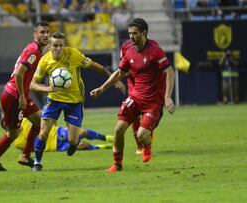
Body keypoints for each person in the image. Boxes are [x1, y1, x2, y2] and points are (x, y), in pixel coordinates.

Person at [30, 32, 125, 172]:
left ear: (64, 45)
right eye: (55, 45)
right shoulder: (44, 61)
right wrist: (48, 88)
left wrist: (113, 79)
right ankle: (37, 162)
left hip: (75, 101)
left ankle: (73, 145)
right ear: (50, 46)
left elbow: (95, 66)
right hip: (54, 100)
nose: (58, 48)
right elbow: (33, 84)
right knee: (44, 133)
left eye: (60, 45)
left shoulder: (74, 54)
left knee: (73, 140)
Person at [90, 18, 175, 173]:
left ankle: (147, 145)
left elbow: (170, 72)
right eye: (129, 33)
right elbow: (119, 73)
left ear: (144, 33)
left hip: (153, 102)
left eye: (134, 33)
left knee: (142, 135)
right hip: (135, 97)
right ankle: (117, 164)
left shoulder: (154, 49)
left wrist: (167, 97)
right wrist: (102, 88)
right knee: (118, 130)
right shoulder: (129, 50)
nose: (131, 37)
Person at [0, 22, 50, 171]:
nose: (45, 35)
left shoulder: (35, 50)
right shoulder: (34, 51)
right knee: (14, 133)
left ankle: (25, 156)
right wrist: (22, 97)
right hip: (14, 96)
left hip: (18, 94)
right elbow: (20, 73)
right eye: (42, 32)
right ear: (35, 34)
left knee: (40, 121)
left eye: (47, 32)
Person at [14, 118, 113, 167]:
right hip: (55, 146)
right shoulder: (17, 143)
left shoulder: (25, 120)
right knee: (83, 145)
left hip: (57, 132)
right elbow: (33, 148)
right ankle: (100, 147)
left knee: (81, 132)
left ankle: (106, 137)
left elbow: (42, 119)